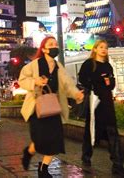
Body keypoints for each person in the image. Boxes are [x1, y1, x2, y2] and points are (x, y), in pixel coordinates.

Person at [19, 36, 84, 177]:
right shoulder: (34, 64)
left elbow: (67, 84)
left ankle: (43, 168)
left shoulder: (58, 66)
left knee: (55, 140)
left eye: (55, 44)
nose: (54, 46)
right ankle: (28, 152)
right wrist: (35, 81)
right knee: (41, 139)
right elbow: (22, 79)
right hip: (37, 107)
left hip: (54, 106)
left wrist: (76, 94)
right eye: (51, 44)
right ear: (43, 49)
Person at [78, 40, 124, 177]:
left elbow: (112, 83)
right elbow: (82, 79)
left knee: (113, 132)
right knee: (91, 131)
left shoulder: (108, 65)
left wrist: (109, 82)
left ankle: (118, 165)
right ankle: (86, 156)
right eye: (101, 47)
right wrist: (96, 82)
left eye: (106, 48)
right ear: (95, 49)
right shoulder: (89, 64)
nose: (104, 50)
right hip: (95, 102)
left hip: (107, 102)